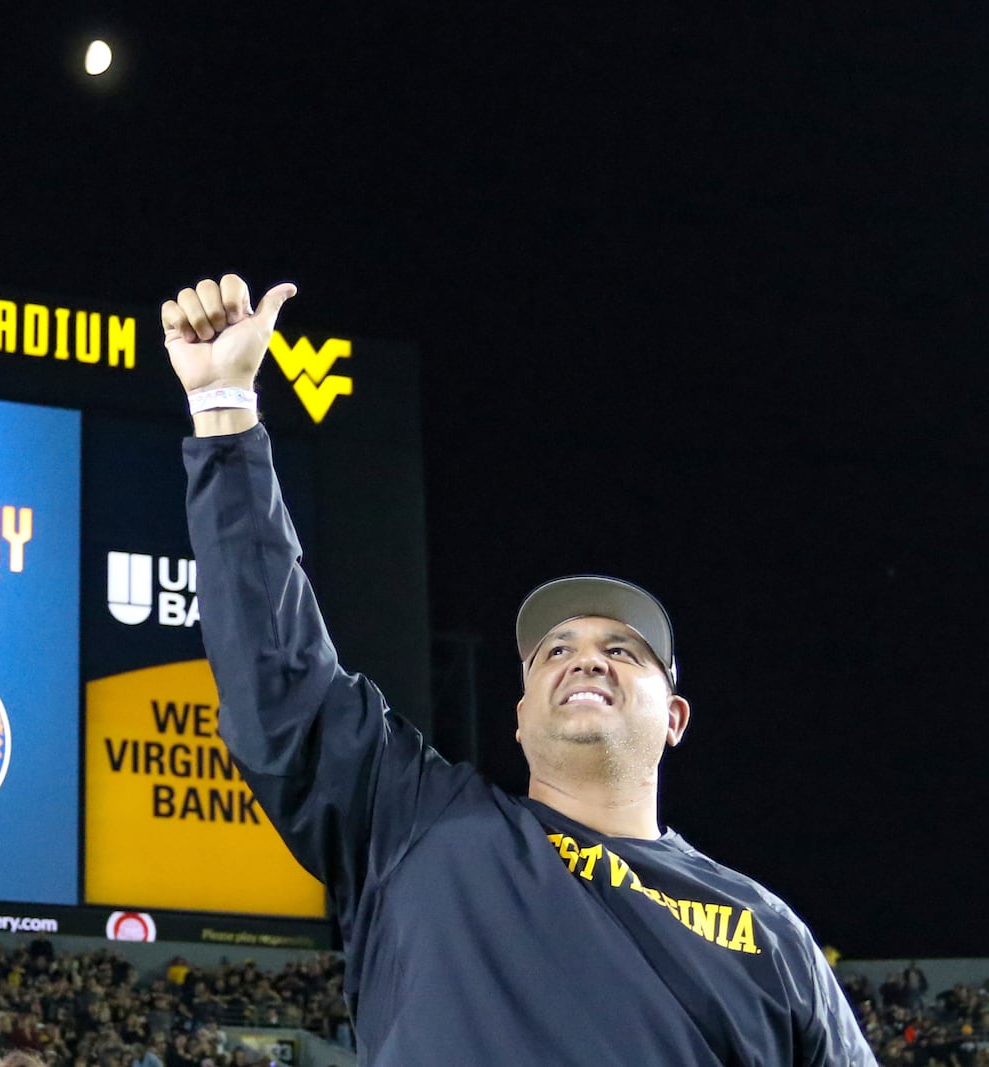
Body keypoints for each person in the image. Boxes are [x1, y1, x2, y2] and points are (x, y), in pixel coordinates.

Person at [159, 275, 876, 1066]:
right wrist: (224, 405)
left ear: (674, 717)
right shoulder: (417, 825)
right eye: (555, 650)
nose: (587, 657)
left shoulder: (767, 932)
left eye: (624, 649)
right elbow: (278, 680)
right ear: (520, 714)